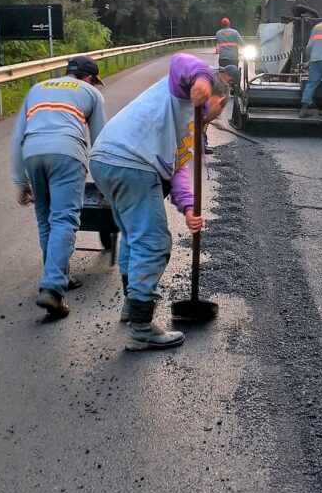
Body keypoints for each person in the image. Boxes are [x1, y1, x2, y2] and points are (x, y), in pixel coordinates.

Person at [89, 55, 233, 351]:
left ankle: (132, 308)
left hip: (106, 160)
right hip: (131, 161)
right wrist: (204, 79)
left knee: (133, 235)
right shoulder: (183, 92)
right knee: (154, 242)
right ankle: (142, 329)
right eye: (219, 109)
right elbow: (181, 62)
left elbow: (179, 170)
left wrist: (190, 208)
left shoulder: (190, 128)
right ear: (218, 100)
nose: (216, 116)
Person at [11, 55, 107, 319]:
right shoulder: (90, 93)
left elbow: (18, 135)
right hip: (66, 152)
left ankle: (59, 275)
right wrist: (104, 184)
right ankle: (53, 289)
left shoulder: (37, 89)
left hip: (32, 153)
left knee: (46, 219)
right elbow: (100, 140)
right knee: (64, 219)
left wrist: (21, 180)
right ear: (88, 78)